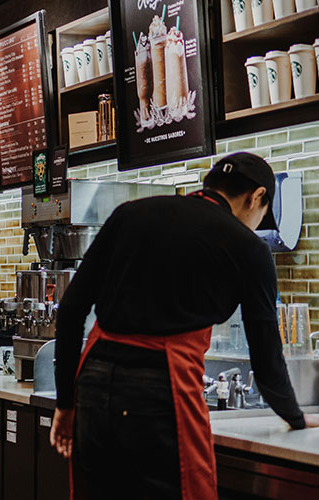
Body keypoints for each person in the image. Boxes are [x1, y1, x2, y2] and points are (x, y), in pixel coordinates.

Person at [50, 152, 319, 500]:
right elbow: (267, 360)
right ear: (256, 198)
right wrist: (295, 418)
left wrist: (66, 402)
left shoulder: (130, 214)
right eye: (262, 215)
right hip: (161, 388)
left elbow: (71, 308)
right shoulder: (249, 249)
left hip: (94, 381)